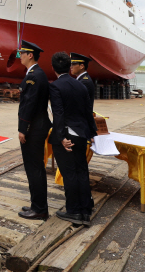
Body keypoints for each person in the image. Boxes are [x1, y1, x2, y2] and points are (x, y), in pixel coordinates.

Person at [49, 52, 97, 226]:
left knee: (69, 174)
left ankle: (74, 211)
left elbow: (58, 114)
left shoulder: (55, 86)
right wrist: (92, 134)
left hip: (67, 135)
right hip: (81, 133)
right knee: (82, 171)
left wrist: (61, 137)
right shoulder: (80, 86)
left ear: (53, 68)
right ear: (69, 67)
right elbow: (88, 112)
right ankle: (86, 208)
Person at [16, 40, 52, 220]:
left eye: (22, 53)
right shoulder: (36, 74)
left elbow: (29, 105)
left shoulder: (34, 76)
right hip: (37, 125)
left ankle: (39, 209)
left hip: (33, 128)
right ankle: (36, 204)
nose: (19, 56)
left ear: (30, 55)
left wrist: (23, 128)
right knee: (34, 167)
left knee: (34, 168)